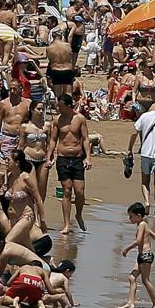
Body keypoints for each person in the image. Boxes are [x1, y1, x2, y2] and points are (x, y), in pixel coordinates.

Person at [52, 93, 91, 233]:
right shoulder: (57, 120)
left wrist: (88, 158)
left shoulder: (79, 119)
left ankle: (78, 214)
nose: (58, 108)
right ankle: (67, 224)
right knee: (67, 191)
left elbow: (86, 139)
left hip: (77, 158)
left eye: (60, 106)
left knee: (79, 192)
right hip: (62, 158)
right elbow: (53, 139)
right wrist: (49, 156)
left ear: (68, 106)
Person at [119, 202, 155, 308]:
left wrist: (126, 249)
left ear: (138, 216)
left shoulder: (142, 225)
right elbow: (154, 235)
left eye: (131, 216)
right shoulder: (143, 225)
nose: (129, 218)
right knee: (132, 277)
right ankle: (130, 303)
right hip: (141, 256)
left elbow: (138, 241)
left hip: (145, 256)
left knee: (145, 280)